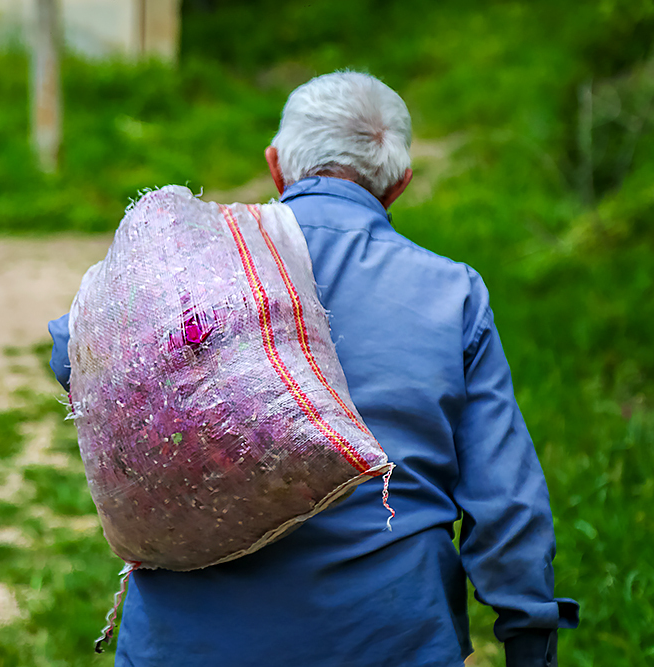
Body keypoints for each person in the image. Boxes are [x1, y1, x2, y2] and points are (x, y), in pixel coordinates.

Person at [47, 71, 579, 667]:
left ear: (276, 166)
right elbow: (506, 503)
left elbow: (73, 353)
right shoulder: (452, 294)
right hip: (387, 642)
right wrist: (530, 637)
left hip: (184, 644)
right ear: (398, 184)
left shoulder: (198, 267)